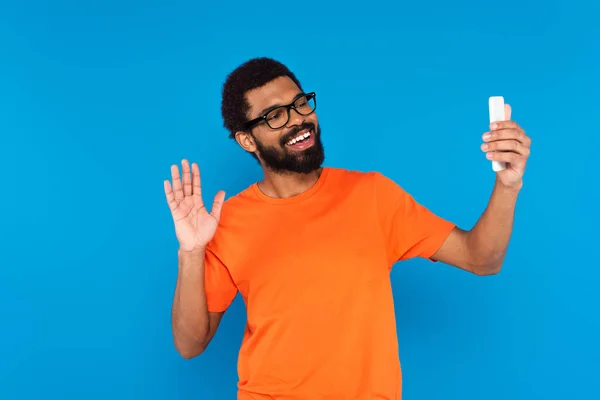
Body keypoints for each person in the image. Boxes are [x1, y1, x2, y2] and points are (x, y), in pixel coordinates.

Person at [163, 57, 531, 399]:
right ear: (247, 140)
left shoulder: (373, 196)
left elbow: (482, 258)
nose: (297, 120)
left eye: (300, 103)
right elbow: (190, 344)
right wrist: (192, 251)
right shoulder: (228, 222)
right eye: (275, 115)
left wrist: (508, 185)